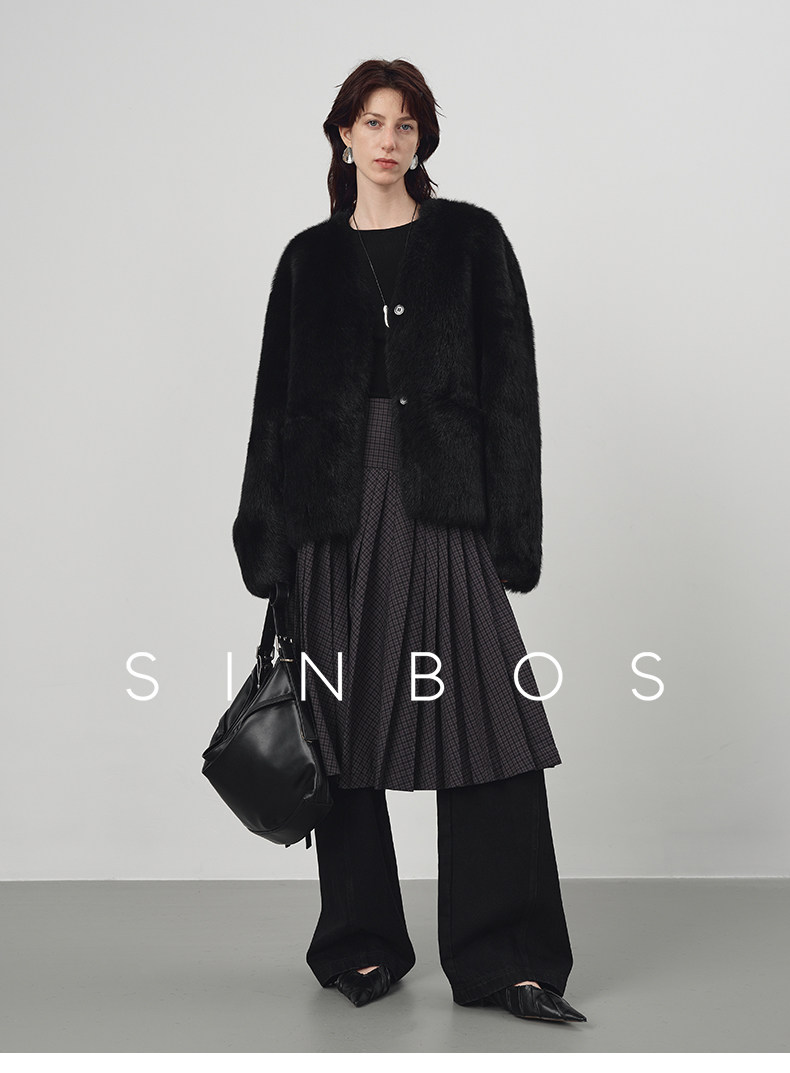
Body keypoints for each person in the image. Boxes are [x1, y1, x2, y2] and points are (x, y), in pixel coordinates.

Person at [232, 58, 587, 1025]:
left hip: (443, 502)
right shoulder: (307, 260)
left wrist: (512, 529)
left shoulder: (472, 241)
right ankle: (361, 944)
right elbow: (273, 409)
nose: (388, 140)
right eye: (372, 122)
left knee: (490, 724)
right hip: (333, 513)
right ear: (343, 135)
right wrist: (268, 540)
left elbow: (512, 392)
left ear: (421, 139)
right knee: (339, 731)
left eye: (405, 124)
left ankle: (509, 958)